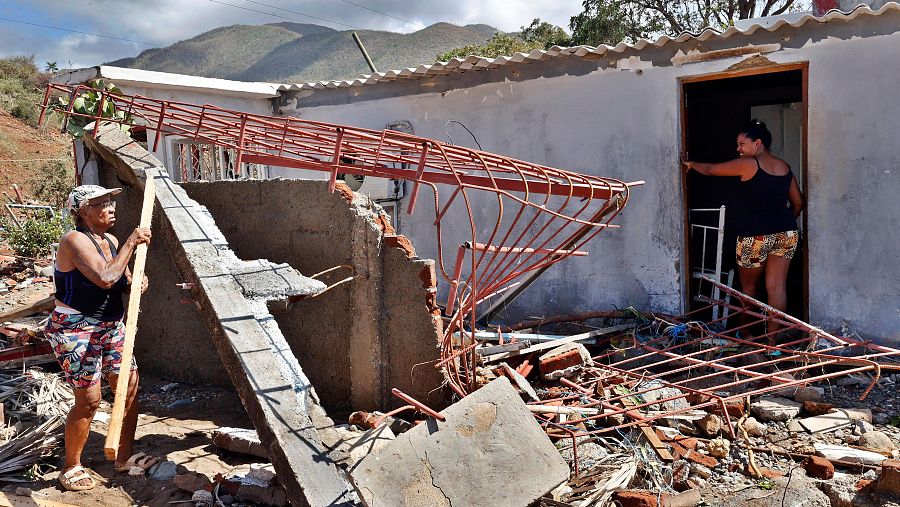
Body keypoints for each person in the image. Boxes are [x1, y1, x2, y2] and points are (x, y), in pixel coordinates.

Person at [44, 185, 158, 491]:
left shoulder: (110, 240)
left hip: (110, 324)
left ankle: (124, 457)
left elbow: (121, 279)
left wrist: (137, 282)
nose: (110, 207)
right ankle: (71, 466)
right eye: (101, 203)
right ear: (83, 211)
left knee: (129, 388)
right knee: (89, 401)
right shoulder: (74, 240)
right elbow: (105, 277)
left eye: (110, 202)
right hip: (74, 327)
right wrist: (133, 242)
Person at [683, 120, 805, 344]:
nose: (738, 149)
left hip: (754, 235)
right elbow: (798, 203)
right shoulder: (784, 167)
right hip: (786, 232)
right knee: (777, 286)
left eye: (741, 144)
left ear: (757, 143)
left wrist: (690, 163)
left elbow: (710, 170)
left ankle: (747, 334)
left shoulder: (749, 164)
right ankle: (772, 341)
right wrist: (781, 221)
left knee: (749, 287)